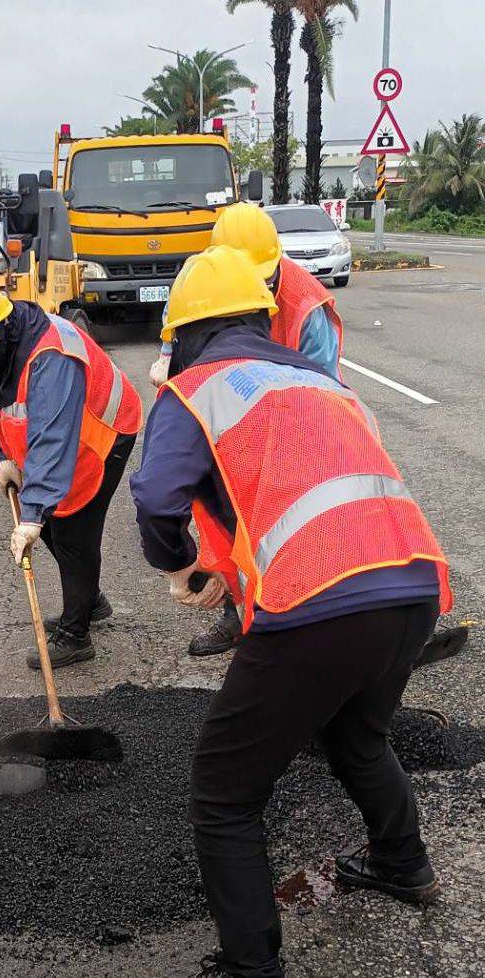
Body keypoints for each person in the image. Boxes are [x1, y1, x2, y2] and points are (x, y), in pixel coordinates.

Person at [131, 246, 452, 978]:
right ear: (258, 317)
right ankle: (403, 864)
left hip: (321, 605)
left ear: (181, 333)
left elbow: (155, 497)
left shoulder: (197, 387)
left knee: (222, 793)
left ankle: (252, 965)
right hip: (409, 585)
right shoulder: (318, 380)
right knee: (357, 738)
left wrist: (179, 566)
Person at [150, 202, 344, 657]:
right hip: (228, 414)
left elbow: (322, 387)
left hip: (289, 421)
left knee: (294, 522)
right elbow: (174, 330)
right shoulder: (201, 281)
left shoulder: (305, 304)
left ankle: (307, 607)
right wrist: (168, 360)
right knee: (221, 515)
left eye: (264, 276)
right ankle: (235, 611)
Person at [0, 278, 142, 668]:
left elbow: (53, 439)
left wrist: (32, 514)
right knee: (52, 525)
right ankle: (88, 600)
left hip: (102, 431)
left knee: (73, 529)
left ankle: (75, 635)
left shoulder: (51, 356)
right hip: (61, 438)